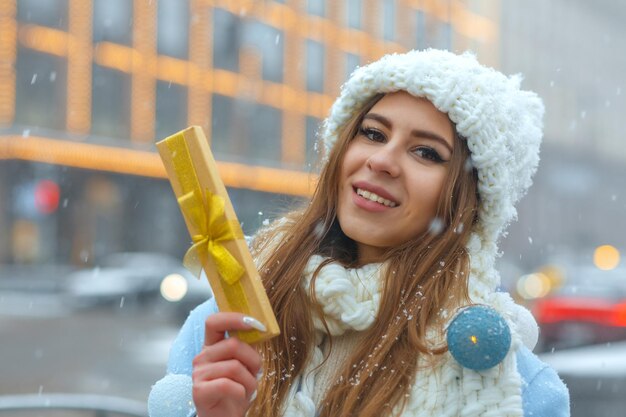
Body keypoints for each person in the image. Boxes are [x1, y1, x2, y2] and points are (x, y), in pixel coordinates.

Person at [148, 49, 570, 417]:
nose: (383, 160)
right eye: (373, 133)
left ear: (469, 204)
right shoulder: (230, 324)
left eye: (426, 152)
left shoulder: (507, 382)